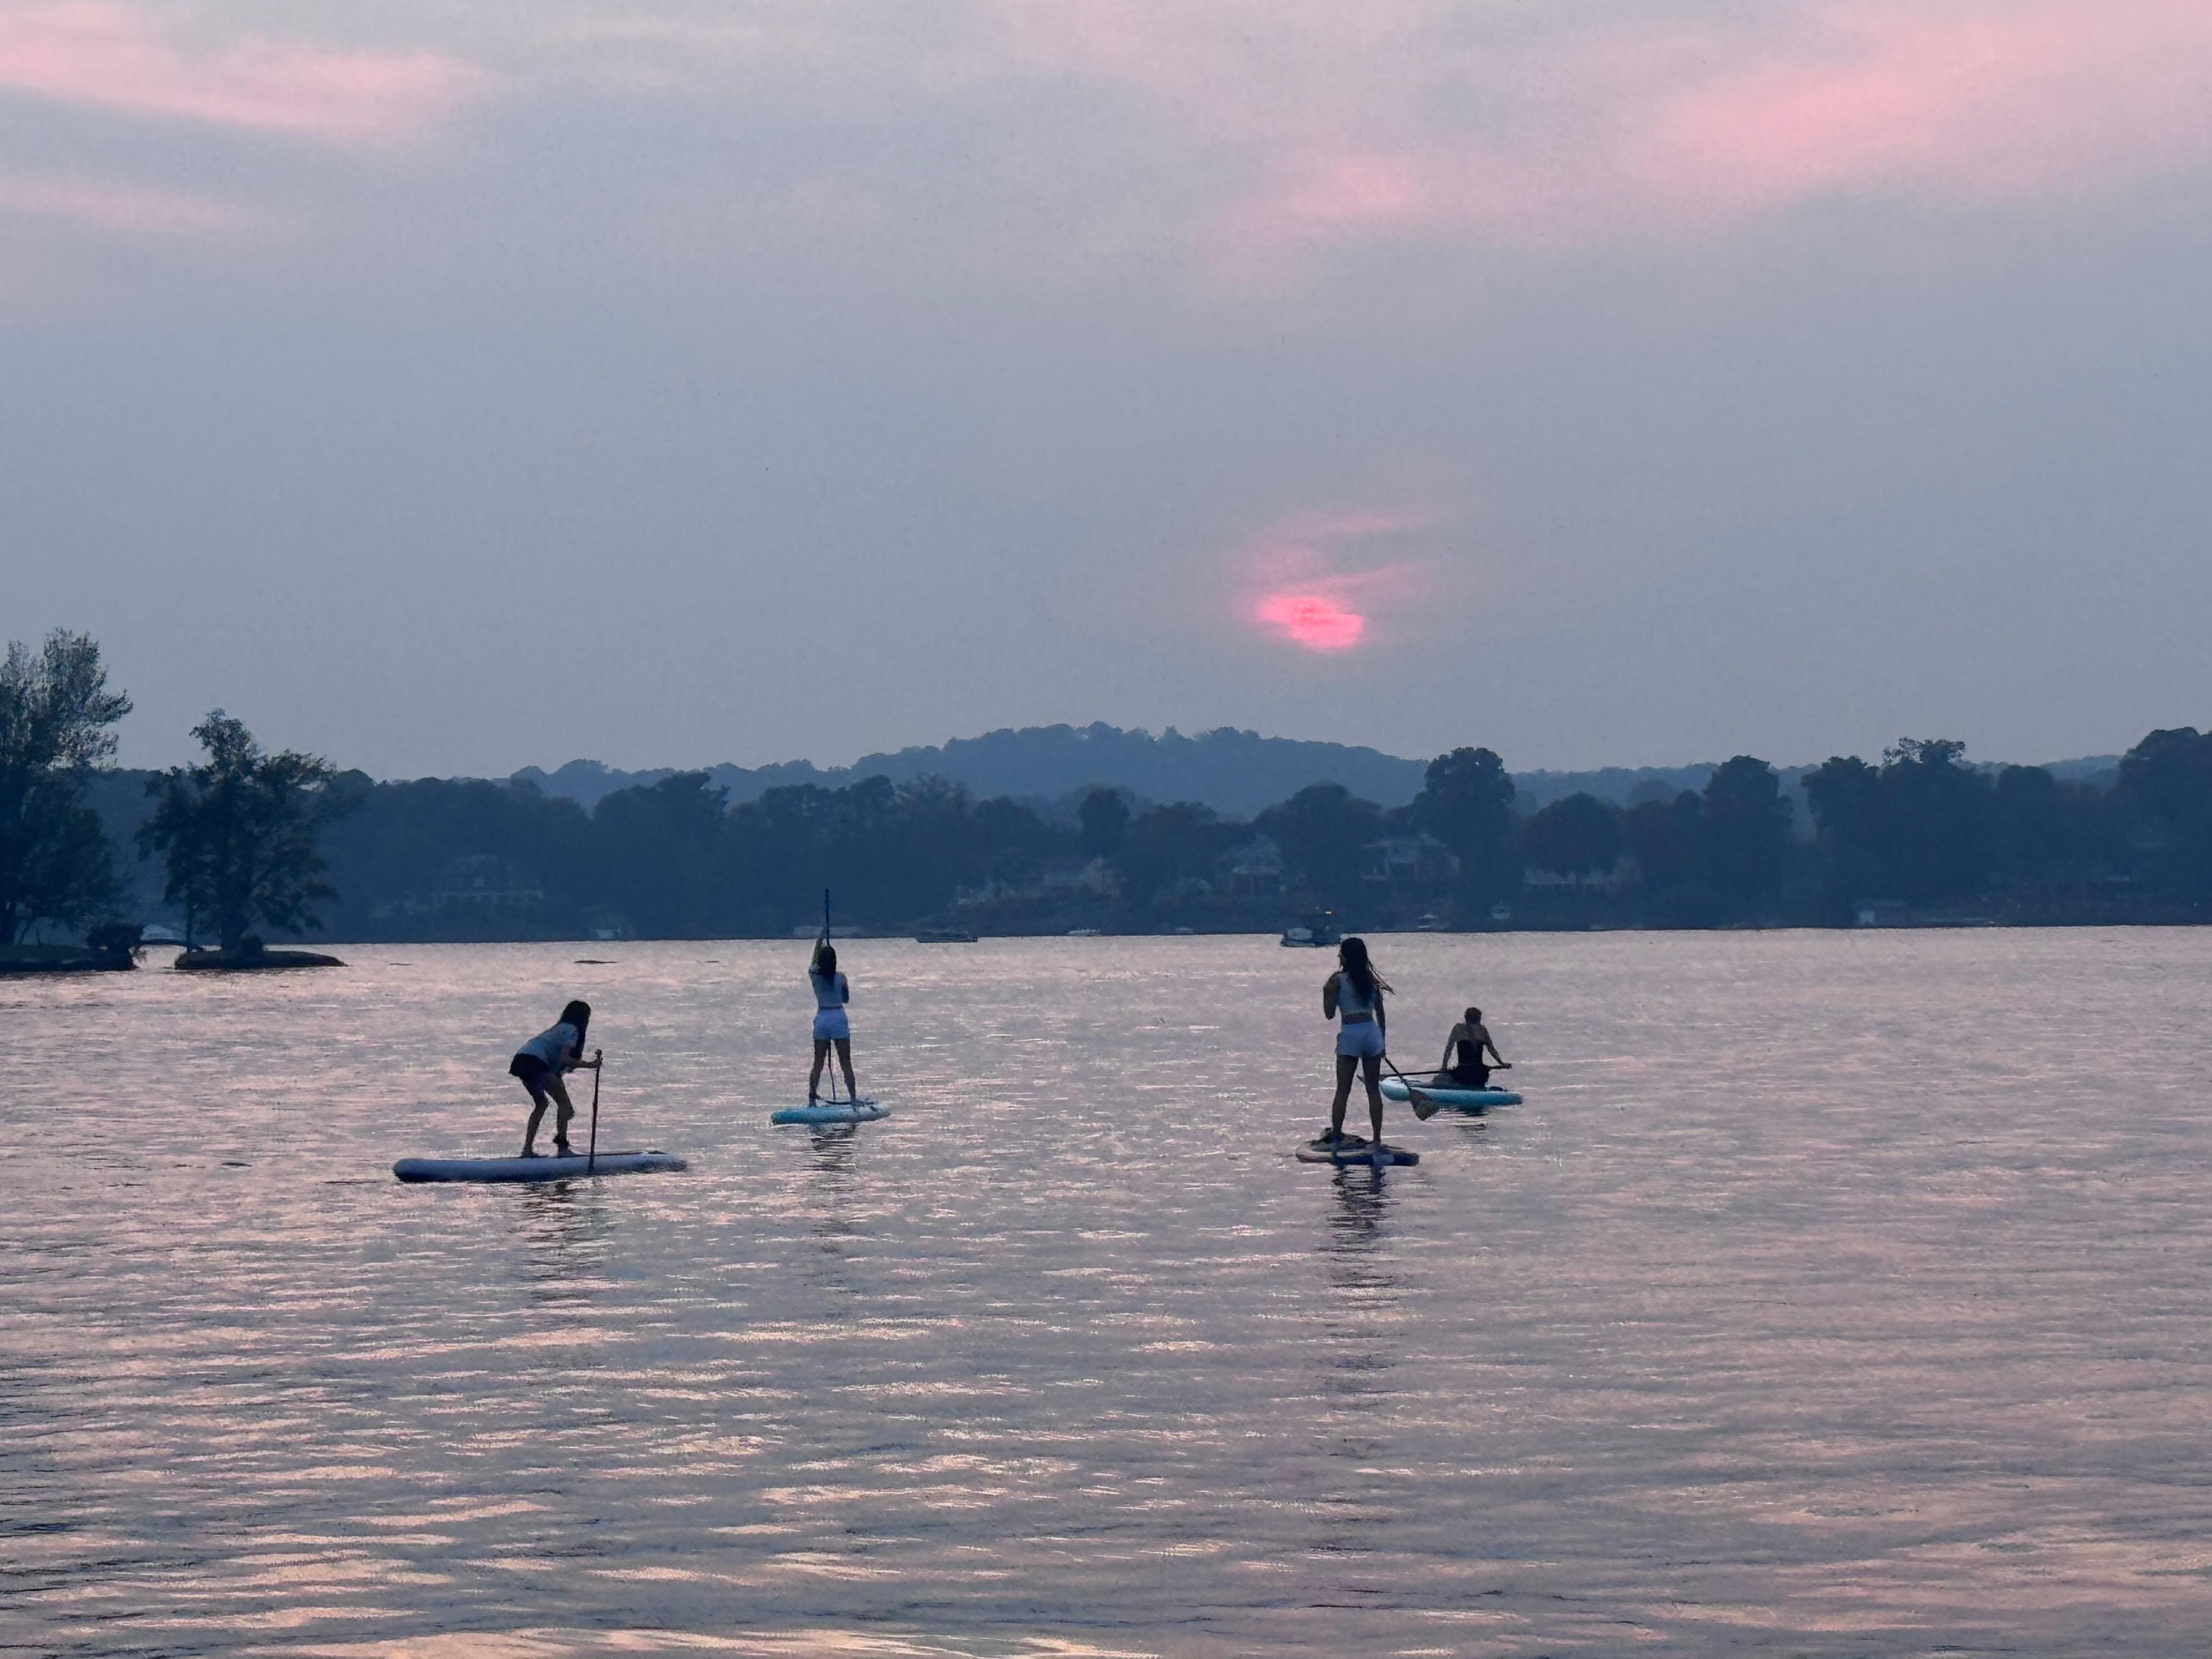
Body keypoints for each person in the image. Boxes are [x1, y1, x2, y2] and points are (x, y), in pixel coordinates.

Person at [1321, 936, 1391, 1146]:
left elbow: (1329, 1014)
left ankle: (1336, 1136)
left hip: (1351, 1033)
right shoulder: (1370, 981)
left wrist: (1327, 995)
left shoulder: (1336, 980)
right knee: (1373, 1090)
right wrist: (1383, 1043)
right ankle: (1377, 1138)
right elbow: (1381, 1013)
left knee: (1343, 1089)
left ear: (1345, 957)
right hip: (1372, 1033)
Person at [512, 1000, 600, 1157]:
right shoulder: (573, 1030)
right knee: (566, 1106)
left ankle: (527, 1151)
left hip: (521, 1060)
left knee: (542, 1104)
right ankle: (563, 1148)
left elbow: (557, 1064)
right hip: (535, 1062)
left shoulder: (558, 1029)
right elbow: (564, 1059)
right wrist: (591, 1065)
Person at [808, 933, 859, 1102]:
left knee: (818, 1062)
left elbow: (814, 962)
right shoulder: (841, 978)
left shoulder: (815, 976)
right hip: (838, 1017)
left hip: (822, 1018)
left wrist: (819, 941)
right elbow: (846, 999)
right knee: (846, 1063)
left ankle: (812, 1097)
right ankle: (853, 1099)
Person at [1435, 1006, 1510, 1089]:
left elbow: (1448, 1050)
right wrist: (1502, 1064)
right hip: (1481, 1075)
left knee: (1438, 1080)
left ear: (1466, 1019)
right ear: (1479, 1019)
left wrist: (1444, 1068)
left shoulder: (1458, 1029)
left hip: (1463, 1074)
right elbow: (1492, 1050)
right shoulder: (1482, 1030)